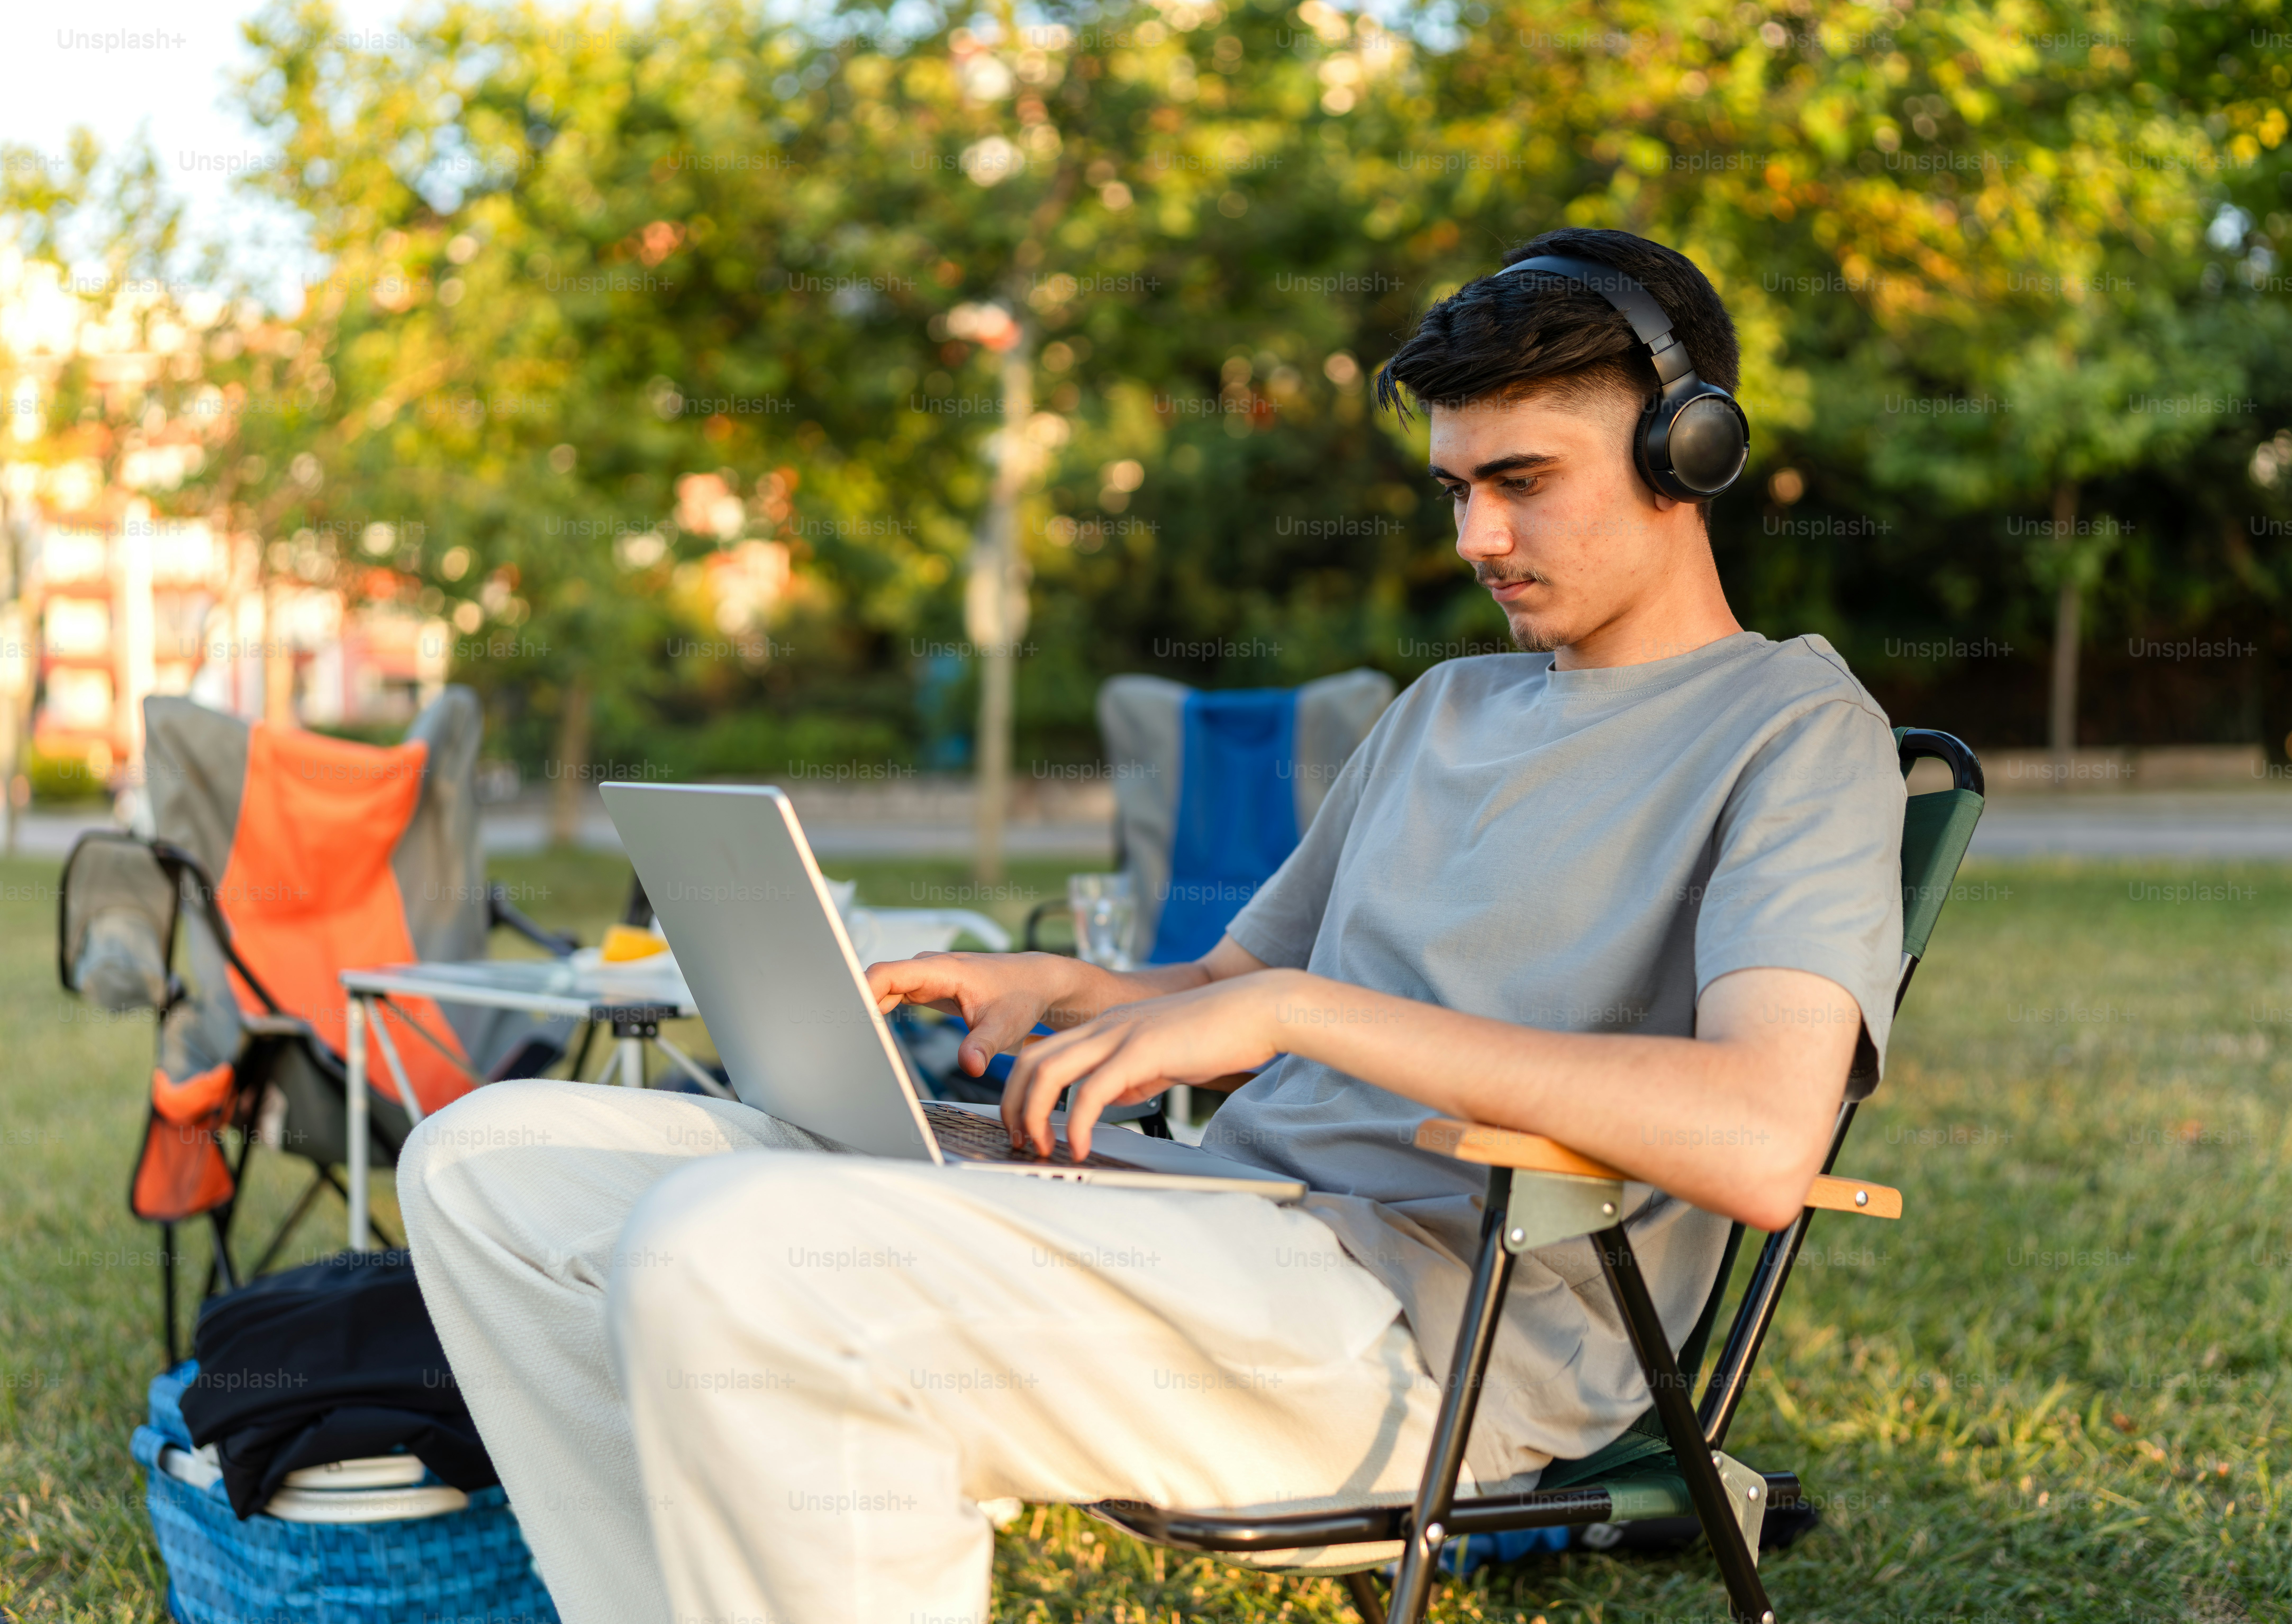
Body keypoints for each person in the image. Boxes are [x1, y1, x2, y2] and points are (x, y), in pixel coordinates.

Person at [399, 226, 1904, 1624]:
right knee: (494, 1167)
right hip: (1215, 1223)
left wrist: (1298, 1016)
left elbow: (1760, 1137)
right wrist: (1058, 984)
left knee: (737, 1246)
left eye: (1522, 479)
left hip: (1421, 1331)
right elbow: (1222, 990)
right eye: (1456, 489)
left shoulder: (1790, 729)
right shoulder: (1447, 708)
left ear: (1685, 450)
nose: (1475, 536)